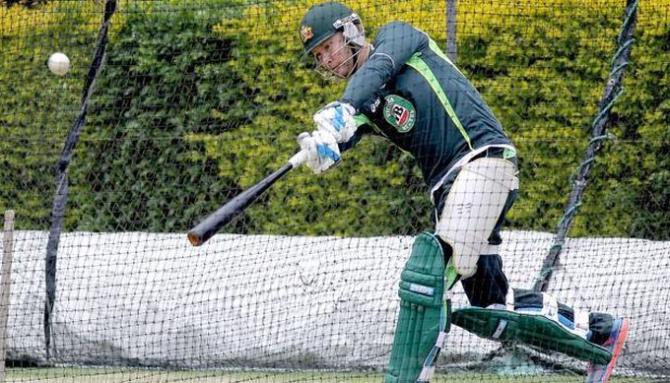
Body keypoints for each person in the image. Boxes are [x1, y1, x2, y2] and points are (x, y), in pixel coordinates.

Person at [296, 2, 629, 382]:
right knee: (491, 304)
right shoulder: (361, 104)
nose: (326, 59)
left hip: (481, 161)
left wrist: (342, 107)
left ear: (352, 31)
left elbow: (377, 71)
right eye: (318, 55)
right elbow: (344, 131)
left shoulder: (399, 37)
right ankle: (600, 332)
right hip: (450, 191)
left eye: (328, 46)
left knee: (429, 275)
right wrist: (321, 147)